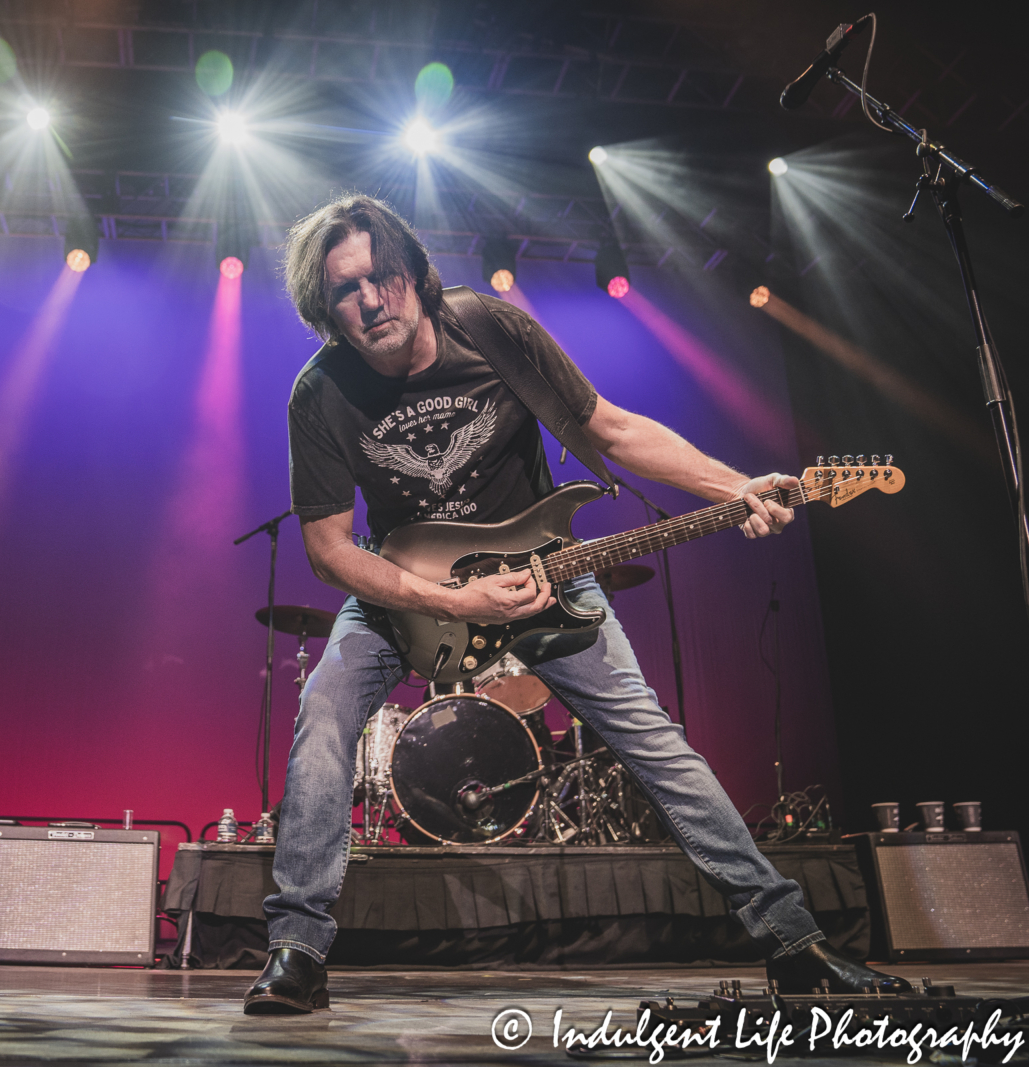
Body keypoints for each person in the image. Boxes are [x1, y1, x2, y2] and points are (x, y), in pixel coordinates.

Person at [243, 195, 909, 1013]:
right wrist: (448, 595)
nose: (372, 299)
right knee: (323, 715)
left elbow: (612, 430)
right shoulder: (320, 393)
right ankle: (298, 952)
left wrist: (737, 486)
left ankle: (793, 941)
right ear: (325, 307)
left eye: (383, 276)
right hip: (408, 591)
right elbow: (330, 548)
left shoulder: (489, 328)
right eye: (348, 289)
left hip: (546, 573)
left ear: (414, 272)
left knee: (650, 736)